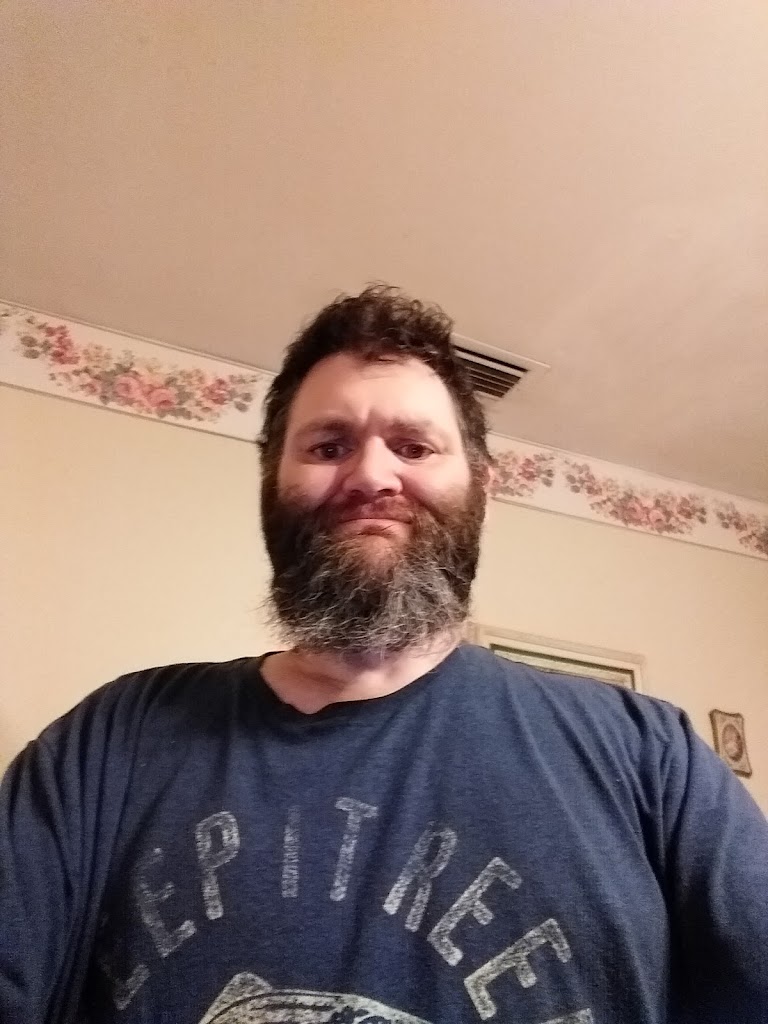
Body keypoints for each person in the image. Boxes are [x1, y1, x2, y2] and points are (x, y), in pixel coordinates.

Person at [1, 286, 766, 1024]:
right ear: (272, 483)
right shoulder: (107, 743)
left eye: (414, 446)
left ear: (483, 488)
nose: (371, 476)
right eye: (329, 446)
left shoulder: (647, 755)